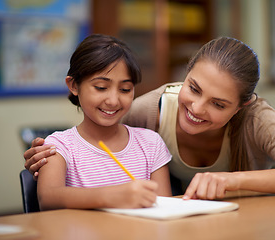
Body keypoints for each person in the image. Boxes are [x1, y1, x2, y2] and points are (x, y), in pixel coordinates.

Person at [25, 36, 275, 200]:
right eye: (194, 88)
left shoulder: (256, 117)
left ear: (241, 106)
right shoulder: (148, 110)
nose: (198, 108)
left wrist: (230, 180)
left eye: (218, 104)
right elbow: (95, 126)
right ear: (184, 76)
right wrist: (45, 152)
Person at [35, 34, 172, 211]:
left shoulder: (151, 144)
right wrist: (112, 196)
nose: (113, 100)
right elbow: (48, 198)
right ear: (74, 85)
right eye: (101, 87)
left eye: (125, 89)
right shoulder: (59, 146)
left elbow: (166, 209)